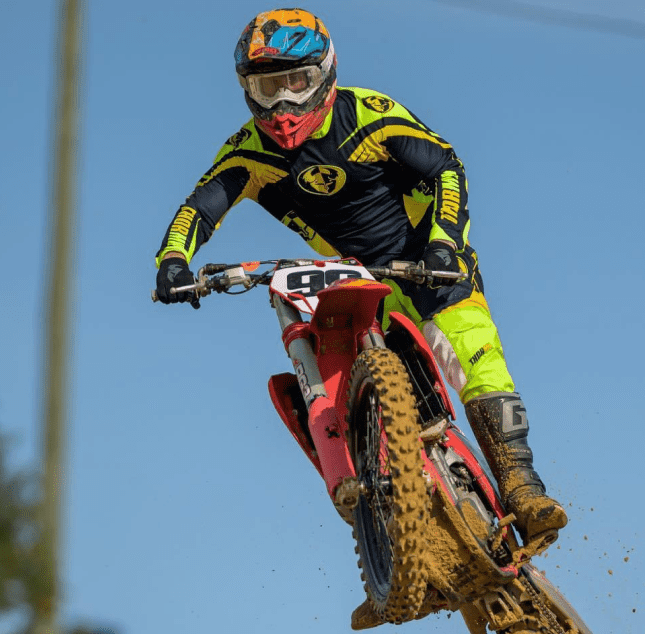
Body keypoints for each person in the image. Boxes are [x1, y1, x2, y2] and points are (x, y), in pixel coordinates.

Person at [154, 8, 567, 552]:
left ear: (323, 74)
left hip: (425, 260)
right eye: (266, 86)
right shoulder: (246, 151)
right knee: (332, 379)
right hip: (351, 276)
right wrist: (172, 263)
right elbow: (200, 207)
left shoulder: (369, 113)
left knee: (468, 348)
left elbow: (446, 167)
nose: (281, 103)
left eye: (294, 83)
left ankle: (522, 485)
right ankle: (384, 540)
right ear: (246, 89)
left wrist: (444, 243)